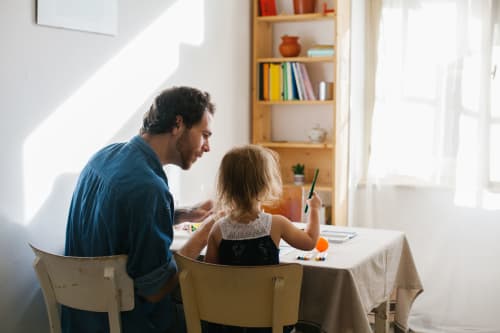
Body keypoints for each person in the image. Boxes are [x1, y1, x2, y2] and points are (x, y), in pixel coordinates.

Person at [63, 86, 218, 333]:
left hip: (81, 322)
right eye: (205, 134)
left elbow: (120, 217)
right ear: (178, 124)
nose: (207, 147)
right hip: (125, 324)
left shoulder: (104, 156)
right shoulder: (149, 188)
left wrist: (182, 213)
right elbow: (156, 290)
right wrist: (205, 233)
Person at [204, 144, 322, 333]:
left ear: (226, 186)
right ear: (265, 185)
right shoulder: (276, 224)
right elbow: (309, 242)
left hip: (228, 324)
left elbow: (210, 276)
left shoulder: (218, 230)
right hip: (269, 323)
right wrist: (314, 209)